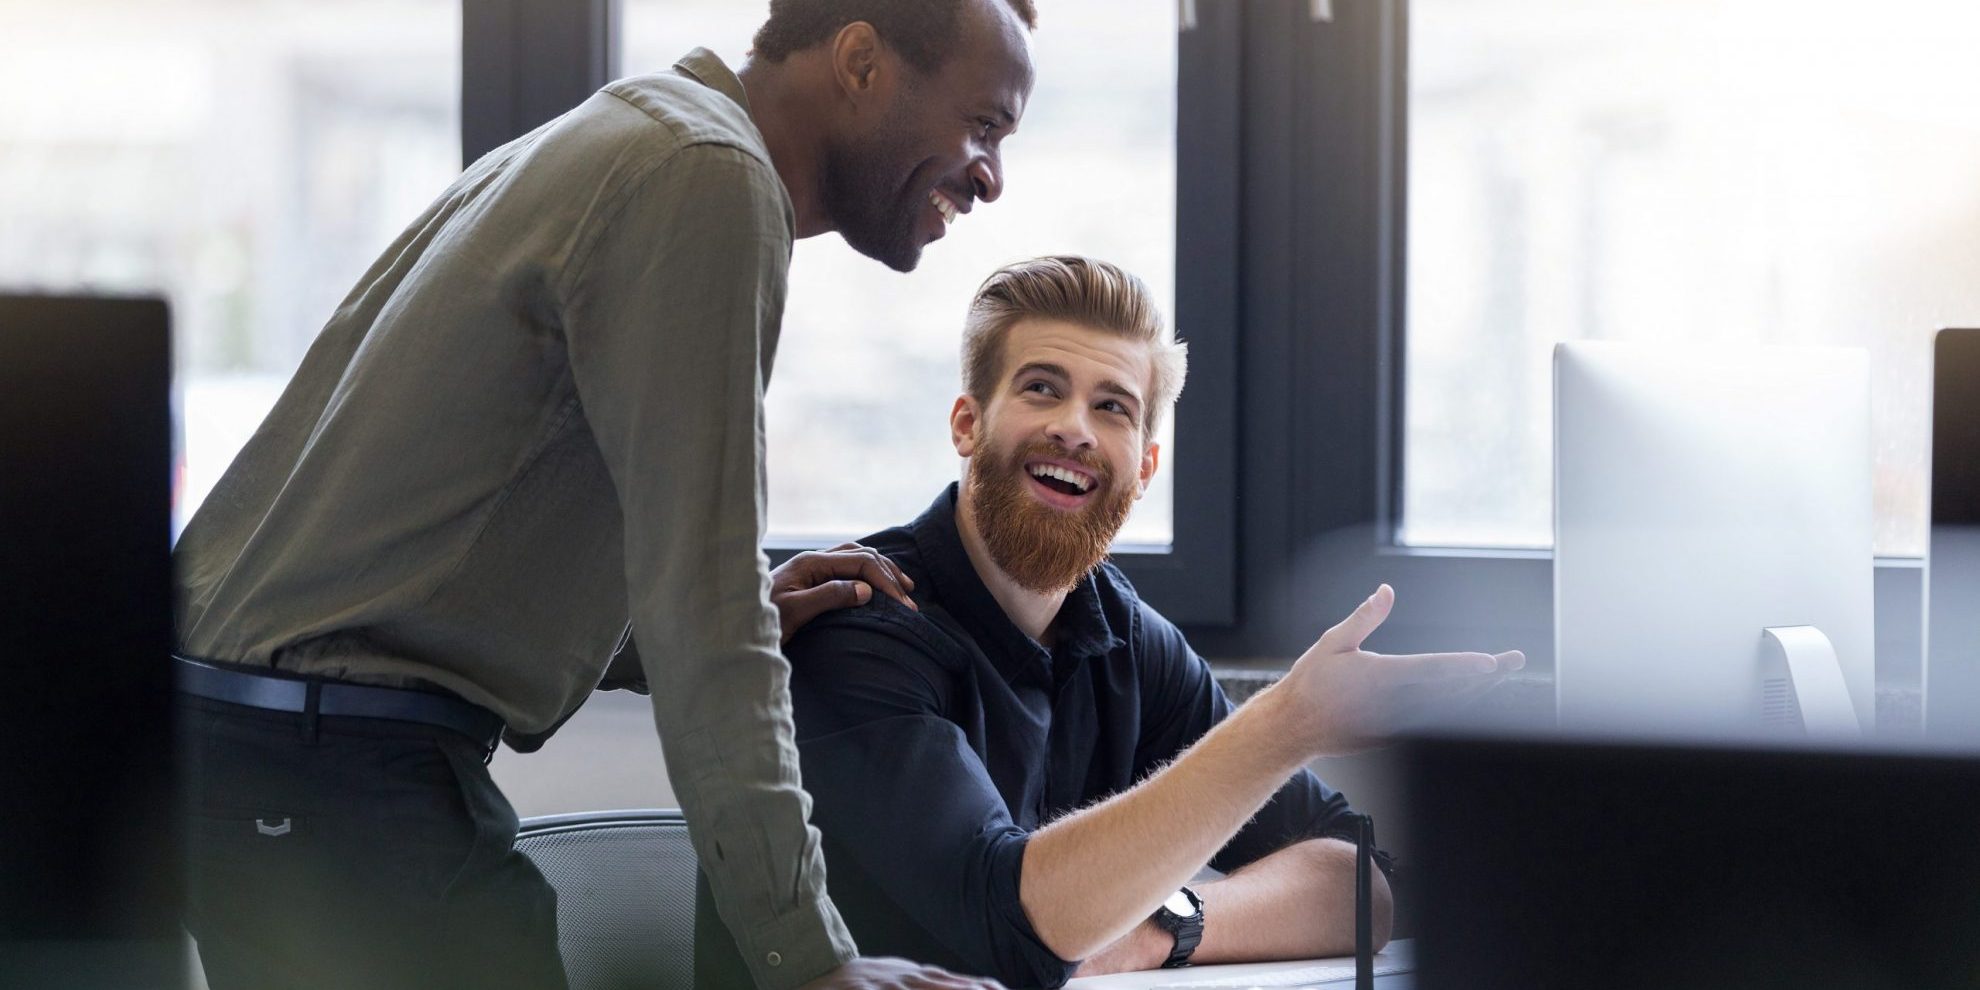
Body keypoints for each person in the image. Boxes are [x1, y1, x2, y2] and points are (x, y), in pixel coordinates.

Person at [171, 2, 1038, 987]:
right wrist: (814, 966)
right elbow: (704, 621)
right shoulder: (707, 178)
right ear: (858, 61)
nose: (992, 177)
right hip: (330, 770)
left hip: (278, 754)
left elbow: (470, 521)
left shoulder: (636, 135)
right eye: (983, 125)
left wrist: (694, 618)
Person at [700, 256, 1523, 987]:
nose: (1075, 428)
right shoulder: (864, 624)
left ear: (1146, 466)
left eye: (1114, 407)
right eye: (1041, 388)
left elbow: (1365, 886)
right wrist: (1288, 724)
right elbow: (1015, 930)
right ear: (967, 423)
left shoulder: (1124, 636)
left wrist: (1162, 927)